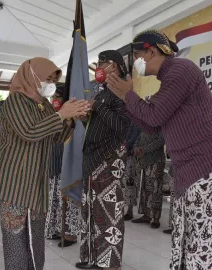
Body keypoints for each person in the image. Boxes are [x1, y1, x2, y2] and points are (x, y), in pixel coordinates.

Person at [107, 30, 212, 270]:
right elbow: (150, 124)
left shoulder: (181, 70)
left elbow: (153, 116)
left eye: (136, 55)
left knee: (207, 244)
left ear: (151, 51)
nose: (135, 62)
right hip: (189, 169)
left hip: (206, 168)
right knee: (187, 239)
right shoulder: (169, 79)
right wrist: (126, 98)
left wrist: (128, 94)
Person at [0, 57, 90, 270]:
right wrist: (61, 115)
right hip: (14, 179)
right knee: (15, 237)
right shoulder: (15, 100)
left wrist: (71, 119)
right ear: (31, 76)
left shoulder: (43, 104)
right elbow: (29, 132)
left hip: (35, 180)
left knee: (35, 238)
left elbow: (55, 138)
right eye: (46, 78)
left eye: (52, 79)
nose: (49, 84)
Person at [77, 50, 130, 270]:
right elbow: (97, 124)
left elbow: (122, 127)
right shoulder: (102, 92)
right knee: (91, 210)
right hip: (92, 158)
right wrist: (84, 117)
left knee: (109, 212)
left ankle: (109, 262)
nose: (99, 67)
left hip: (109, 158)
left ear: (116, 67)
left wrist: (97, 107)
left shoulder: (123, 93)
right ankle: (92, 257)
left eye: (104, 63)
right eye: (98, 63)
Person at [45, 87, 81, 248]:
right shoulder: (53, 117)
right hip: (53, 166)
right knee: (54, 200)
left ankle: (70, 233)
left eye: (58, 97)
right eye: (54, 97)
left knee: (68, 200)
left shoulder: (74, 119)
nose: (55, 100)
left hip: (69, 167)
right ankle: (57, 229)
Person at [131, 127, 166, 229]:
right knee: (144, 189)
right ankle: (146, 215)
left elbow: (160, 141)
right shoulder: (145, 123)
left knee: (155, 190)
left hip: (156, 160)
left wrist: (143, 150)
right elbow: (138, 138)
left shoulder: (161, 123)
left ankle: (155, 218)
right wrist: (136, 148)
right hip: (143, 161)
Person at [123, 122, 141, 221]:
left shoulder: (135, 122)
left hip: (129, 157)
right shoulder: (123, 119)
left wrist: (122, 147)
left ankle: (129, 211)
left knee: (129, 184)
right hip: (121, 156)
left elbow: (133, 139)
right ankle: (120, 209)